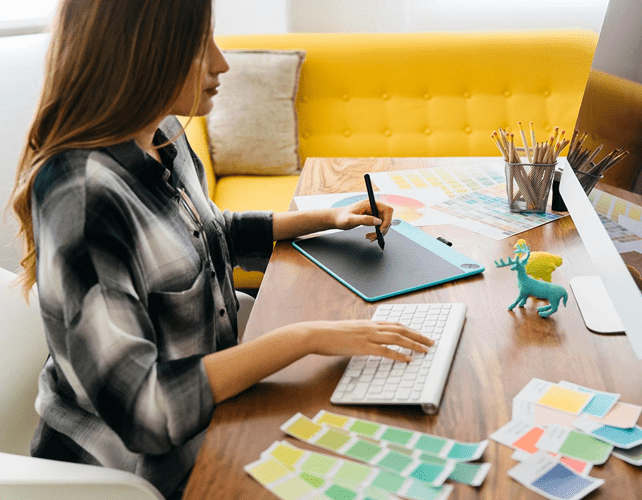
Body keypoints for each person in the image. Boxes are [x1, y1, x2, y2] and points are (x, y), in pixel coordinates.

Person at [8, 1, 433, 497]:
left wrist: (323, 218)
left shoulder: (163, 135)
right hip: (130, 475)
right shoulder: (83, 197)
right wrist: (302, 338)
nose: (221, 62)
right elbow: (146, 414)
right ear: (140, 54)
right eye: (197, 46)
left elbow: (203, 235)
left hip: (215, 420)